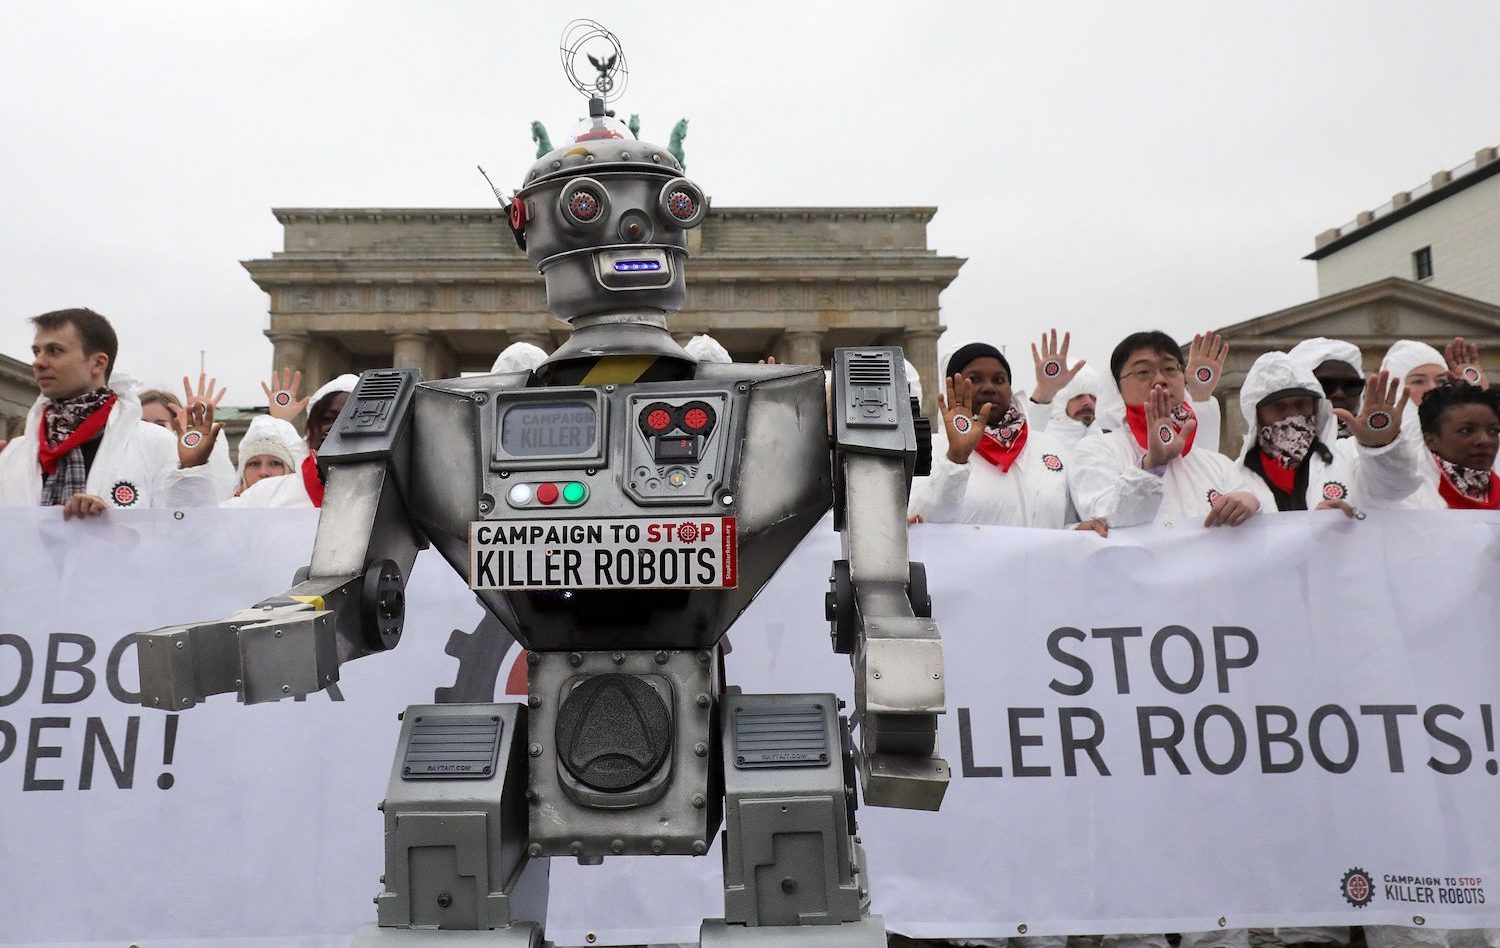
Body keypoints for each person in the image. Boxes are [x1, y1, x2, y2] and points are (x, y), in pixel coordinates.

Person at [0, 308, 219, 517]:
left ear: (98, 363)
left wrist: (111, 529)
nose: (39, 362)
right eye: (36, 352)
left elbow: (190, 539)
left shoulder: (154, 443)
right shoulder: (15, 454)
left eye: (55, 351)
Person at [1070, 330, 1273, 531]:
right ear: (1118, 389)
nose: (1160, 379)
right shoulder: (1097, 450)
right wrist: (1151, 466)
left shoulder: (1216, 463)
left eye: (1169, 369)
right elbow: (1102, 519)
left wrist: (1252, 504)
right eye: (1143, 372)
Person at [909, 342, 1102, 534]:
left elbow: (1061, 524)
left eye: (999, 380)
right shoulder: (932, 449)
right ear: (952, 387)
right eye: (974, 379)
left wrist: (1079, 530)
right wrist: (956, 459)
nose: (989, 387)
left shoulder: (1050, 446)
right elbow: (923, 523)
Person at [1236, 352, 1421, 514]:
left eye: (1301, 404)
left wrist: (1382, 446)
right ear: (1257, 416)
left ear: (1316, 408)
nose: (1292, 415)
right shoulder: (1234, 477)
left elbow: (1397, 487)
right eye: (1279, 407)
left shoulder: (1350, 456)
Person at [222, 372, 358, 509]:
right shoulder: (266, 496)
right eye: (328, 419)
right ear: (311, 430)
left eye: (353, 418)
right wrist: (201, 465)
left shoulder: (378, 493)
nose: (339, 427)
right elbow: (209, 524)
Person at [1401, 381, 1500, 509]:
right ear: (1431, 440)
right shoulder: (1408, 494)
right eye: (1466, 430)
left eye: (1493, 431)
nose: (1485, 440)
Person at [1288, 337, 1364, 439]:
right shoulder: (1272, 444)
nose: (1339, 393)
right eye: (1326, 385)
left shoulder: (1377, 443)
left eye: (1351, 385)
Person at [233, 414, 305, 495]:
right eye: (253, 464)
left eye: (275, 463)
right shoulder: (225, 506)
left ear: (292, 471)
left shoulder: (310, 506)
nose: (263, 472)